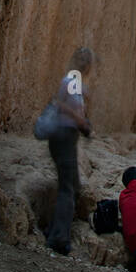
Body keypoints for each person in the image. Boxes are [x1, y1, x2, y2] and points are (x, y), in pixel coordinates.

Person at [45, 46, 94, 256]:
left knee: (71, 183)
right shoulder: (73, 82)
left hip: (62, 137)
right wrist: (82, 123)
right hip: (64, 137)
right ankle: (59, 238)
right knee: (68, 188)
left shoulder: (72, 81)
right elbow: (65, 108)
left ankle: (54, 227)